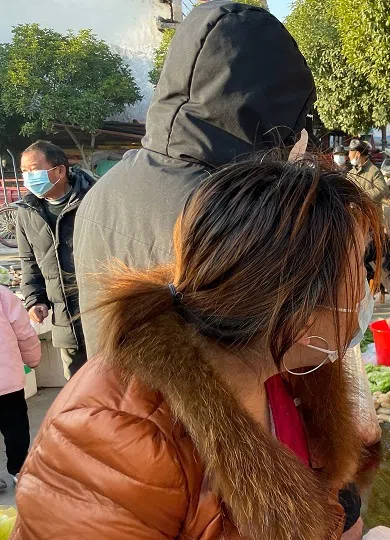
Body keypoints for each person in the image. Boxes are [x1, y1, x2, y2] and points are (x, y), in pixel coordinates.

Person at [0, 159, 377, 540]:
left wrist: (336, 507)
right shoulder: (114, 445)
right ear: (294, 305)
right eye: (360, 272)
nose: (368, 293)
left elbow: (285, 534)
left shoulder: (281, 372)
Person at [74, 0, 317, 357]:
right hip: (206, 393)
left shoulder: (107, 187)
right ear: (275, 109)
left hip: (112, 385)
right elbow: (287, 346)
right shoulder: (233, 213)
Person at [15, 140, 94, 379]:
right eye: (24, 171)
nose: (28, 178)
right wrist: (35, 299)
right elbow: (29, 261)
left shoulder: (93, 199)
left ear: (60, 170)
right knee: (76, 389)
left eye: (34, 170)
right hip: (65, 322)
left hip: (102, 317)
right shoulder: (27, 212)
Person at [0, 268, 41, 493]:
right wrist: (33, 359)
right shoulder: (3, 296)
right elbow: (25, 333)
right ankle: (19, 469)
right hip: (7, 384)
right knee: (15, 428)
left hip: (8, 381)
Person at [347, 139, 389, 207]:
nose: (348, 156)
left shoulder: (374, 171)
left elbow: (383, 190)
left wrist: (361, 196)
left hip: (371, 212)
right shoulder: (350, 173)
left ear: (357, 154)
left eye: (350, 152)